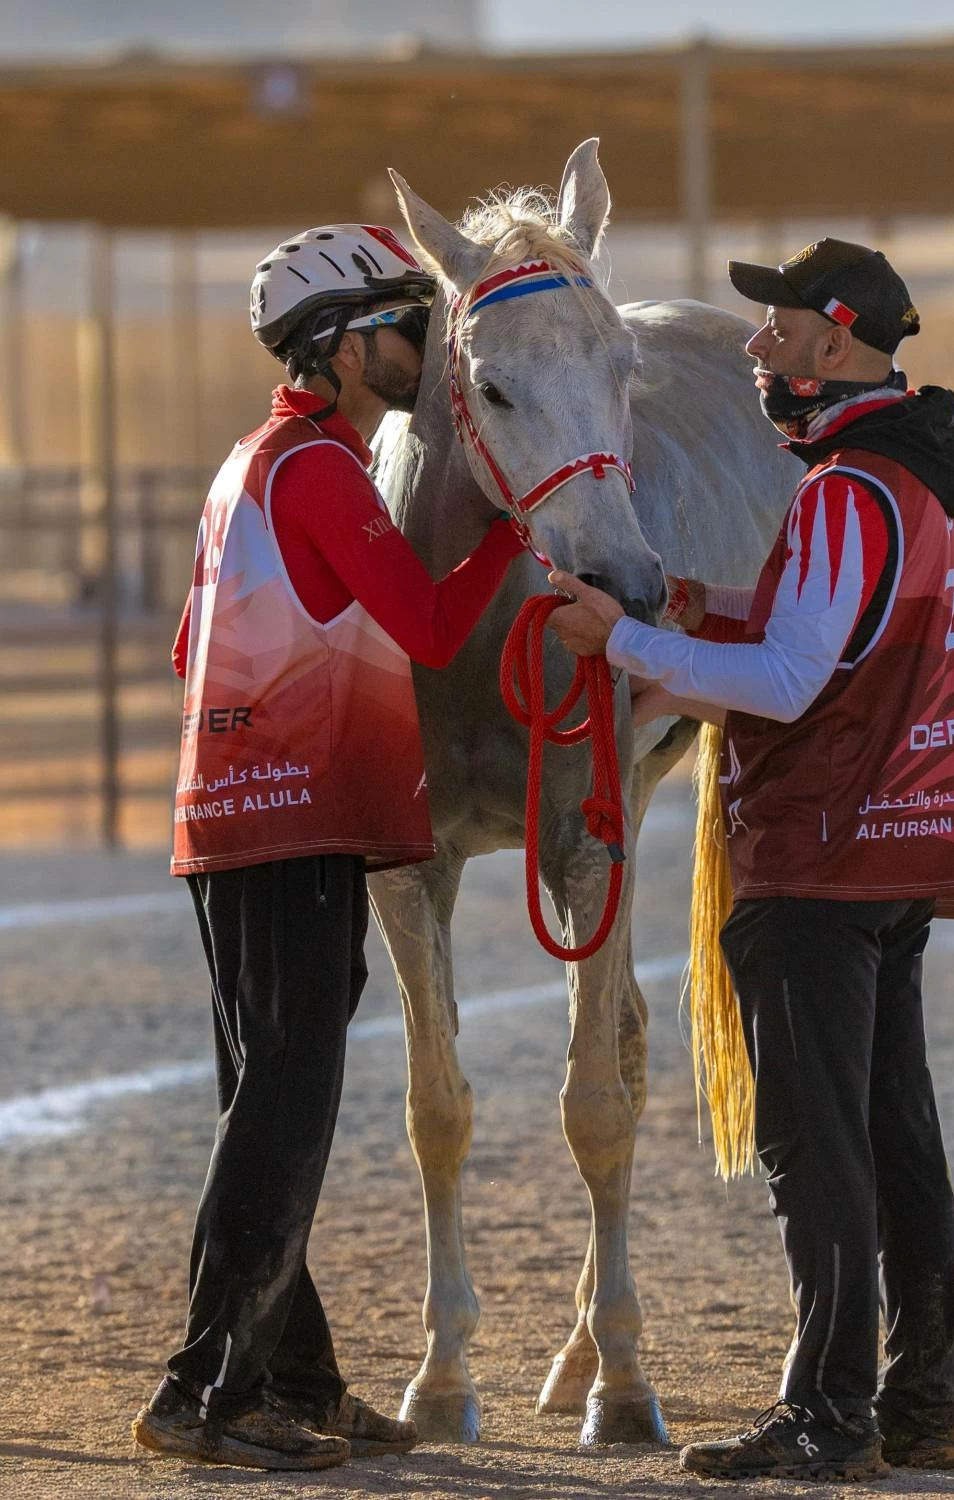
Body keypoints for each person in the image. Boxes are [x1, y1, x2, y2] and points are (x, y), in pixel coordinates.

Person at [547, 238, 954, 1484]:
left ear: (833, 338)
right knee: (894, 1137)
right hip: (893, 848)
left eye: (773, 328)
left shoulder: (843, 489)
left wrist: (625, 648)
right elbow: (839, 640)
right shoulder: (919, 477)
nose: (750, 346)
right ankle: (920, 1410)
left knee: (817, 1151)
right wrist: (690, 608)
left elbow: (791, 679)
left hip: (817, 855)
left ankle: (828, 1416)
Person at [132, 224, 525, 1471]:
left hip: (233, 827)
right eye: (408, 325)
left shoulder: (250, 464)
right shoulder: (317, 470)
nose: (422, 346)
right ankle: (206, 1395)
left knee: (268, 1102)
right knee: (285, 1113)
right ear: (347, 347)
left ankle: (295, 1382)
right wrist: (515, 532)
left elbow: (193, 650)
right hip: (290, 826)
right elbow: (427, 619)